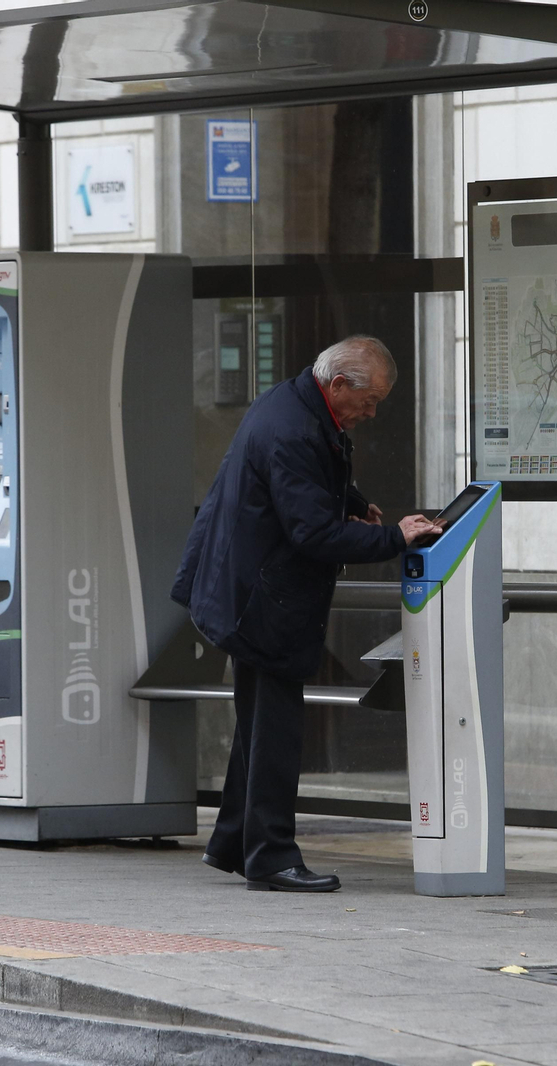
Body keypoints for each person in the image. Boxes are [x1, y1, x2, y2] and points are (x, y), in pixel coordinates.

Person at [172, 336, 441, 892]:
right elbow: (310, 531)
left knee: (258, 725)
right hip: (263, 599)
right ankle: (270, 858)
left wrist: (349, 499)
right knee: (276, 730)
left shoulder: (294, 403)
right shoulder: (293, 427)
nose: (372, 413)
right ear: (339, 385)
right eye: (369, 401)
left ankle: (232, 842)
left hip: (251, 588)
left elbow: (308, 482)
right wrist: (393, 537)